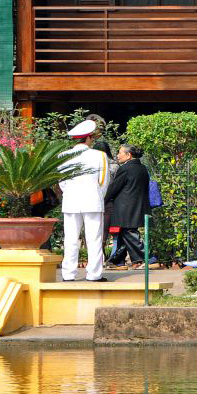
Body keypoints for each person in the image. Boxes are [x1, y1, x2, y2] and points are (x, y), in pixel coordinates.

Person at [58, 119, 110, 282]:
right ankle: (94, 274)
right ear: (88, 138)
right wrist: (97, 195)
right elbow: (103, 182)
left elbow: (62, 182)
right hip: (92, 201)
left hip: (71, 201)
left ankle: (68, 274)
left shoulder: (63, 156)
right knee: (93, 239)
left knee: (70, 239)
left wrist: (72, 193)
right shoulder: (99, 155)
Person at [102, 144, 150, 267]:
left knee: (128, 231)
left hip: (124, 207)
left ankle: (146, 257)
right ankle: (117, 260)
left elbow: (114, 187)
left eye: (120, 152)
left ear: (128, 155)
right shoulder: (143, 168)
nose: (118, 155)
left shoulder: (125, 169)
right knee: (124, 232)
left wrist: (103, 200)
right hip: (138, 205)